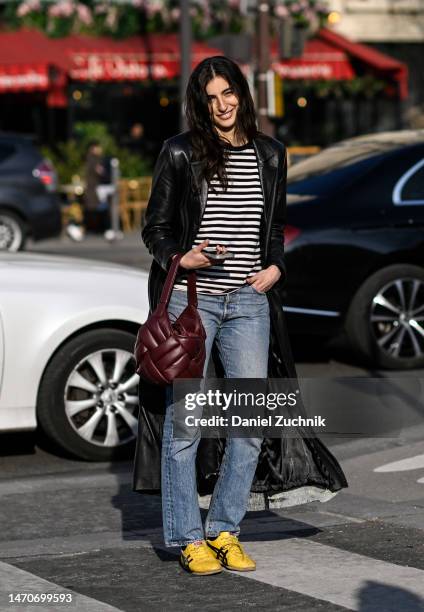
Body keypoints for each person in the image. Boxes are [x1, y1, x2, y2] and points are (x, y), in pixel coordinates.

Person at [133, 56, 348, 576]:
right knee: (187, 426)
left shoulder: (271, 155)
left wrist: (277, 267)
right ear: (199, 105)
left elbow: (272, 233)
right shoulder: (181, 153)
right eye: (210, 98)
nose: (221, 105)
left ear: (243, 95)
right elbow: (155, 229)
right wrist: (182, 257)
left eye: (228, 93)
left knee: (248, 426)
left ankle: (224, 529)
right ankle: (187, 537)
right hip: (195, 306)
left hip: (250, 304)